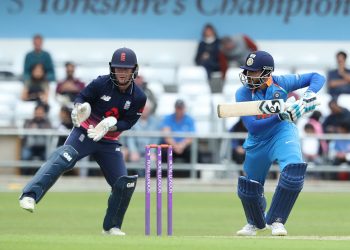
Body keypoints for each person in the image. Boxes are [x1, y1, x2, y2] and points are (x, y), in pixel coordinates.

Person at [19, 47, 147, 236]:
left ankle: (112, 226)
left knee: (124, 183)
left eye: (126, 69)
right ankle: (29, 195)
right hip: (85, 132)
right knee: (64, 157)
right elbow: (81, 97)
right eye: (118, 68)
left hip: (108, 141)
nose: (122, 72)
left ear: (133, 70)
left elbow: (128, 122)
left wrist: (111, 126)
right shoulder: (100, 83)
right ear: (112, 68)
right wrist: (79, 108)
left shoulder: (139, 97)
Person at [234, 51, 325, 236]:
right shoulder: (242, 93)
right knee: (249, 188)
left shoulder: (281, 82)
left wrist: (308, 95)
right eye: (247, 71)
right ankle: (254, 223)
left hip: (282, 132)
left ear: (267, 72)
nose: (248, 76)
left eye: (253, 72)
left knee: (293, 173)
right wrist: (279, 116)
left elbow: (317, 76)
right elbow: (253, 126)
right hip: (258, 139)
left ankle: (277, 221)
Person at [20, 102, 52, 175]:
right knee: (25, 156)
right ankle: (24, 175)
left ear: (44, 113)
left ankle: (45, 175)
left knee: (49, 157)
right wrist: (30, 128)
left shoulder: (47, 122)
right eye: (37, 112)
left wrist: (39, 128)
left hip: (43, 147)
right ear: (34, 112)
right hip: (30, 146)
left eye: (41, 112)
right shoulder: (28, 121)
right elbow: (24, 132)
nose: (39, 114)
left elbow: (50, 130)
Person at [160, 99, 195, 163]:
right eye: (178, 108)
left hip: (184, 146)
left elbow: (191, 137)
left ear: (184, 108)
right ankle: (164, 173)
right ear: (175, 108)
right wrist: (175, 146)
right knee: (163, 153)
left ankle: (191, 173)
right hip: (171, 145)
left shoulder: (189, 119)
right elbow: (166, 134)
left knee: (194, 153)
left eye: (181, 108)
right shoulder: (168, 118)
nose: (179, 110)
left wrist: (182, 145)